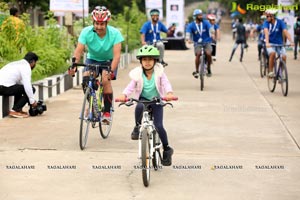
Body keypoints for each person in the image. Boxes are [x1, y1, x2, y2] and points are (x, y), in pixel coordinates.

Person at [117, 45, 175, 166]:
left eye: (150, 59)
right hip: (143, 99)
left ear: (155, 61)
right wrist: (124, 95)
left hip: (157, 100)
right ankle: (137, 126)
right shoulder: (137, 74)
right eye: (144, 59)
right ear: (141, 61)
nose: (147, 62)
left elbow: (166, 84)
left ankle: (167, 148)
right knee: (139, 106)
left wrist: (169, 93)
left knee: (158, 125)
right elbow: (130, 87)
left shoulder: (159, 73)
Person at [69, 6, 124, 123]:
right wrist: (73, 65)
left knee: (105, 80)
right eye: (97, 24)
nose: (99, 27)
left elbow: (117, 56)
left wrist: (111, 71)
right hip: (92, 59)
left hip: (109, 60)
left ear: (106, 23)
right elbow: (78, 50)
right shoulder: (86, 32)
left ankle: (107, 112)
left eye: (102, 24)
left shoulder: (115, 33)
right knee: (86, 79)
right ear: (93, 22)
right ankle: (92, 106)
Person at [0, 52, 38, 118]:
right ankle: (14, 110)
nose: (35, 65)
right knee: (32, 89)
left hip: (2, 86)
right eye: (35, 63)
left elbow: (21, 83)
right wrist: (32, 102)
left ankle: (18, 110)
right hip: (3, 87)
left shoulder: (18, 63)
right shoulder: (26, 67)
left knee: (20, 88)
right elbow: (27, 86)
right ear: (33, 61)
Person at [263, 9, 294, 77]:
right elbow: (266, 32)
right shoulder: (266, 23)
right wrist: (267, 43)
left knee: (284, 57)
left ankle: (280, 72)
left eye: (268, 16)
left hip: (279, 44)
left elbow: (285, 32)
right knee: (272, 53)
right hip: (270, 44)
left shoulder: (280, 22)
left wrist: (291, 41)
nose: (267, 18)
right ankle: (271, 71)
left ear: (273, 16)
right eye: (266, 16)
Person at [186, 9, 213, 77]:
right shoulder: (191, 25)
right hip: (197, 43)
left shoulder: (206, 22)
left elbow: (210, 28)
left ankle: (209, 68)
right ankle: (197, 71)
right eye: (199, 15)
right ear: (195, 17)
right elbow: (188, 33)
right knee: (198, 54)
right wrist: (188, 39)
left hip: (207, 42)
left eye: (201, 15)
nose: (201, 16)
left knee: (208, 54)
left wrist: (212, 33)